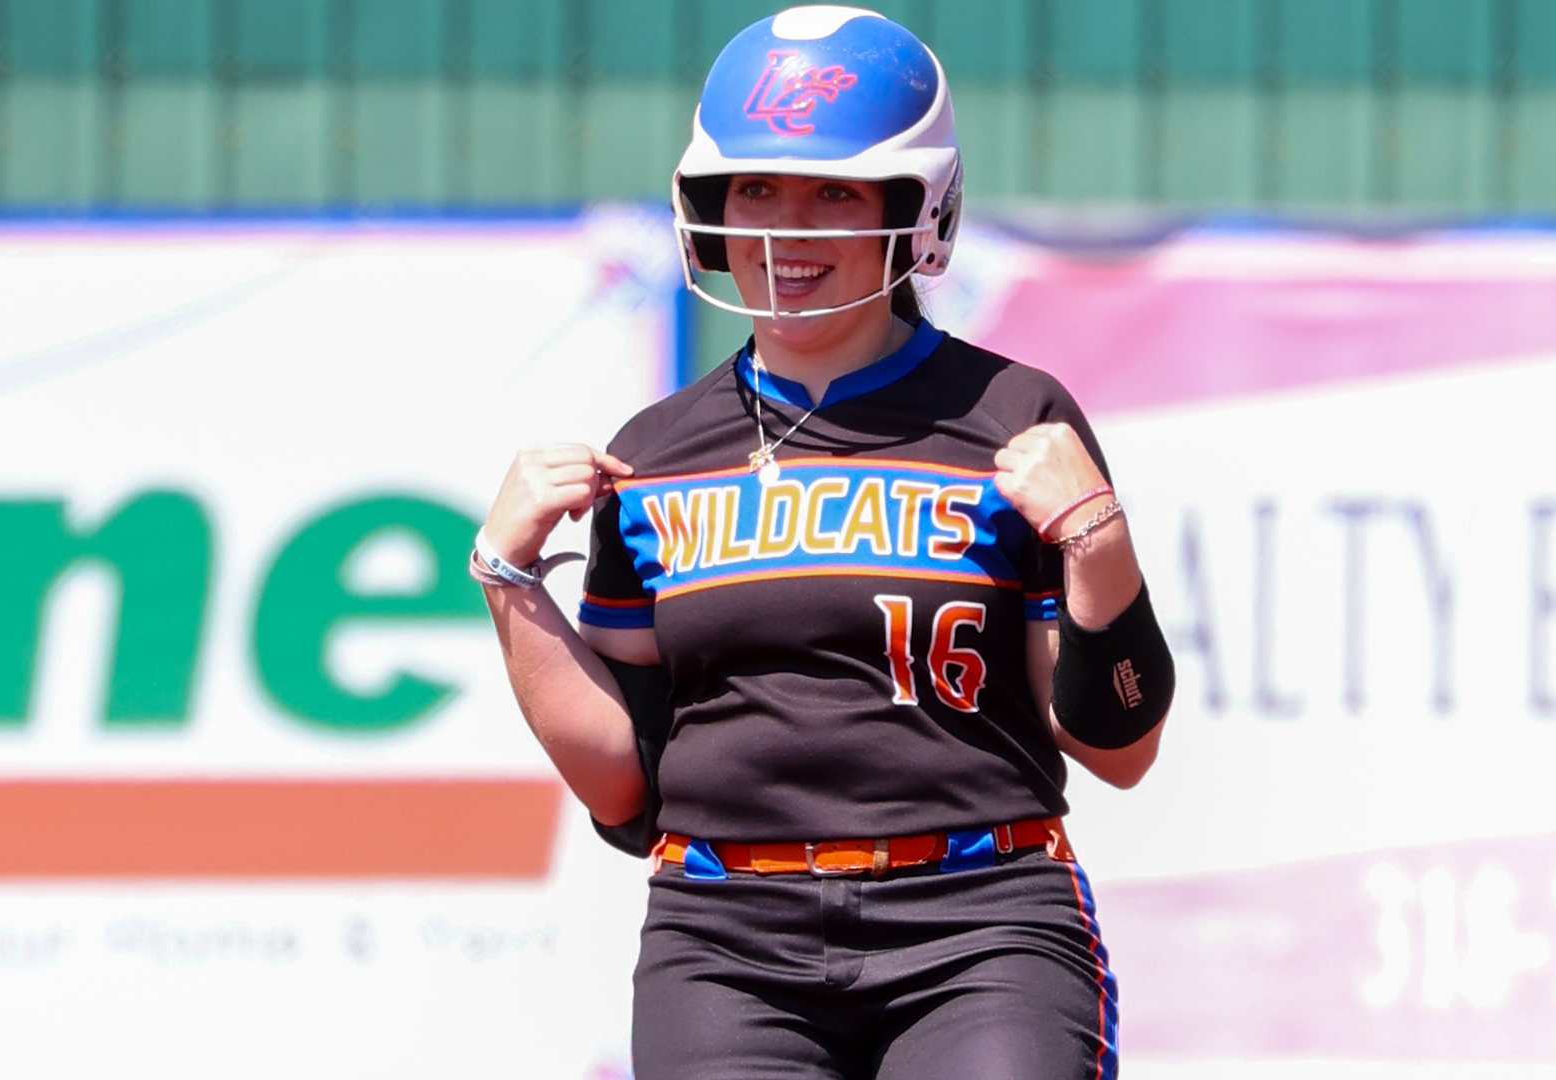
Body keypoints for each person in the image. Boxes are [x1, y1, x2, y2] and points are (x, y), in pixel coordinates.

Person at [474, 7, 1175, 1078]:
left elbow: (1118, 747)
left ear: (917, 209)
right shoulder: (655, 454)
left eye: (834, 192)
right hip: (725, 940)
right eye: (755, 188)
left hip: (979, 922)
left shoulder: (1010, 415)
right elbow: (626, 787)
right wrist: (509, 579)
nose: (785, 229)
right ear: (707, 204)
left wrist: (1098, 543)